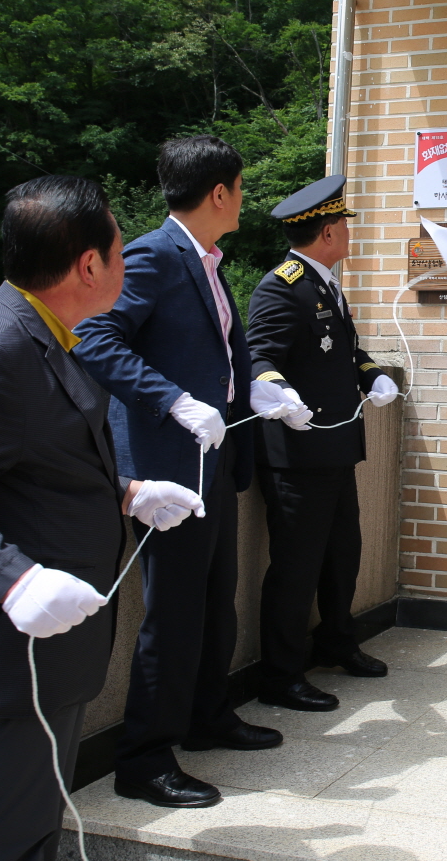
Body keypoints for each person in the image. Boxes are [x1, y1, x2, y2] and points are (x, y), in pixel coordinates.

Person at [0, 176, 203, 861]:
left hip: (41, 660)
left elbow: (30, 460)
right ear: (88, 265)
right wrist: (13, 580)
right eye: (118, 251)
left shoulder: (48, 332)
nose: (124, 262)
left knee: (27, 840)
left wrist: (127, 492)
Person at [77, 136, 306, 808]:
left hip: (214, 460)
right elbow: (94, 338)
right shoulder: (154, 255)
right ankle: (143, 759)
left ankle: (207, 715)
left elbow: (222, 354)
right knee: (174, 615)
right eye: (240, 188)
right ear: (219, 192)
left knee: (214, 601)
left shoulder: (206, 259)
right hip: (167, 469)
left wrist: (256, 389)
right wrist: (172, 400)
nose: (243, 199)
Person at [244, 175, 397, 711]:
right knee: (296, 568)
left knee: (341, 556)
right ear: (328, 232)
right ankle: (281, 676)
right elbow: (259, 357)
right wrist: (278, 391)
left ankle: (336, 640)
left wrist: (374, 376)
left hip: (334, 449)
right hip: (297, 453)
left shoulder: (327, 284)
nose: (349, 234)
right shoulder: (281, 286)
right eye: (344, 226)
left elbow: (346, 351)